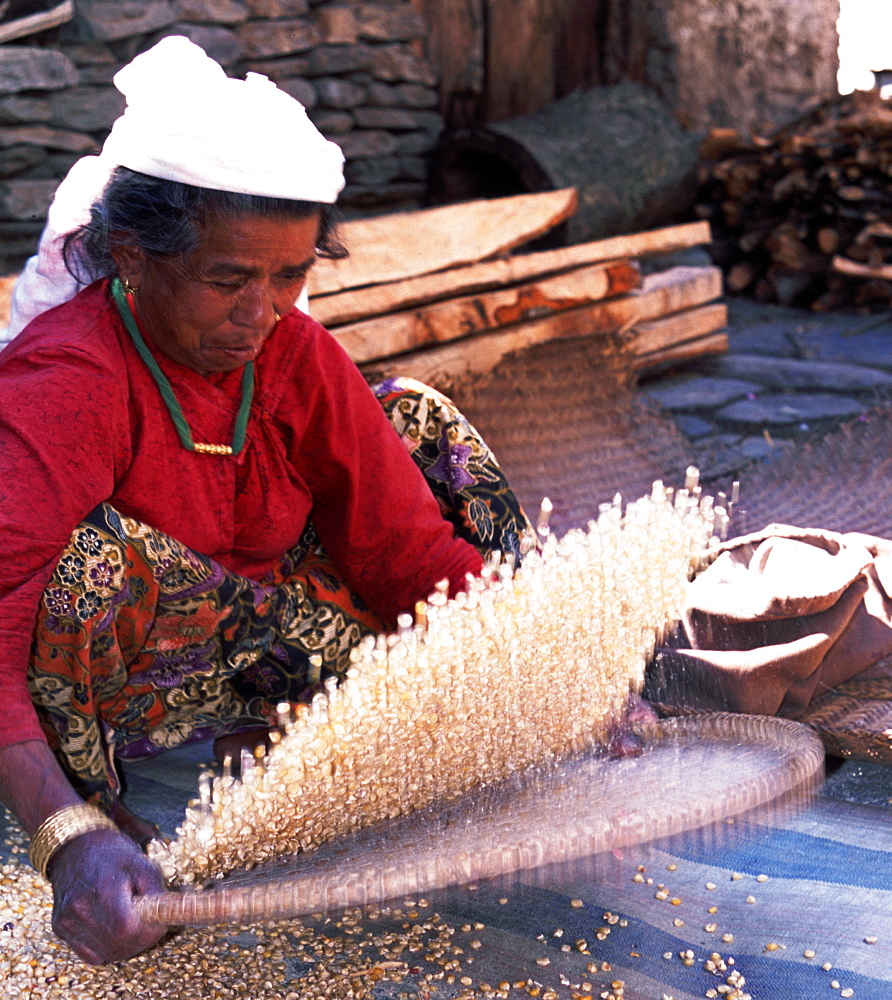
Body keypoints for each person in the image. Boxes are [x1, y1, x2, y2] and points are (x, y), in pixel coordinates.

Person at [0, 36, 534, 965]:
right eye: (228, 279)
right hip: (123, 691)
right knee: (89, 567)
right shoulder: (68, 378)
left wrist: (555, 673)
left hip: (262, 640)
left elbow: (405, 550)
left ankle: (293, 739)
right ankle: (113, 826)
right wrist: (61, 836)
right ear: (132, 255)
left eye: (291, 276)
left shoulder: (292, 355)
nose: (264, 313)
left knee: (416, 423)